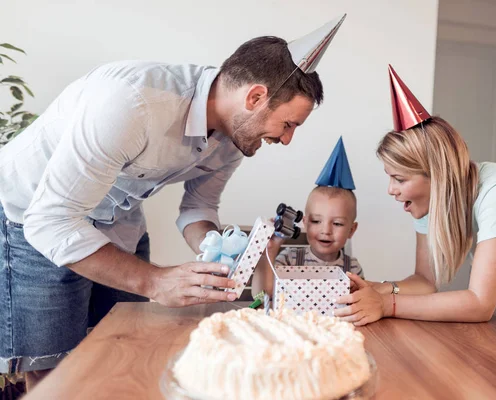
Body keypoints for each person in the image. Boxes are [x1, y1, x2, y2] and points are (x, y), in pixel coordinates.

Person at [0, 15, 346, 388]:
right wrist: (154, 282)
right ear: (255, 97)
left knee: (121, 346)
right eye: (288, 124)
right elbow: (50, 222)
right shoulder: (132, 104)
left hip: (118, 219)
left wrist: (219, 253)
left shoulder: (235, 135)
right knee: (54, 372)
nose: (287, 138)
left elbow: (198, 208)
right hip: (34, 218)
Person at [335, 65, 496, 334]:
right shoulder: (431, 200)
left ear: (437, 176)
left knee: (489, 352)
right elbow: (425, 280)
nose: (390, 190)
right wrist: (379, 288)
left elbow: (478, 304)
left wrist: (386, 304)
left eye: (400, 179)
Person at [253, 137, 364, 297]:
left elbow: (360, 302)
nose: (325, 230)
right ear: (305, 223)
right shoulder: (289, 259)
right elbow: (262, 297)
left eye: (338, 223)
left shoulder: (352, 268)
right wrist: (270, 253)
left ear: (351, 230)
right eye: (316, 221)